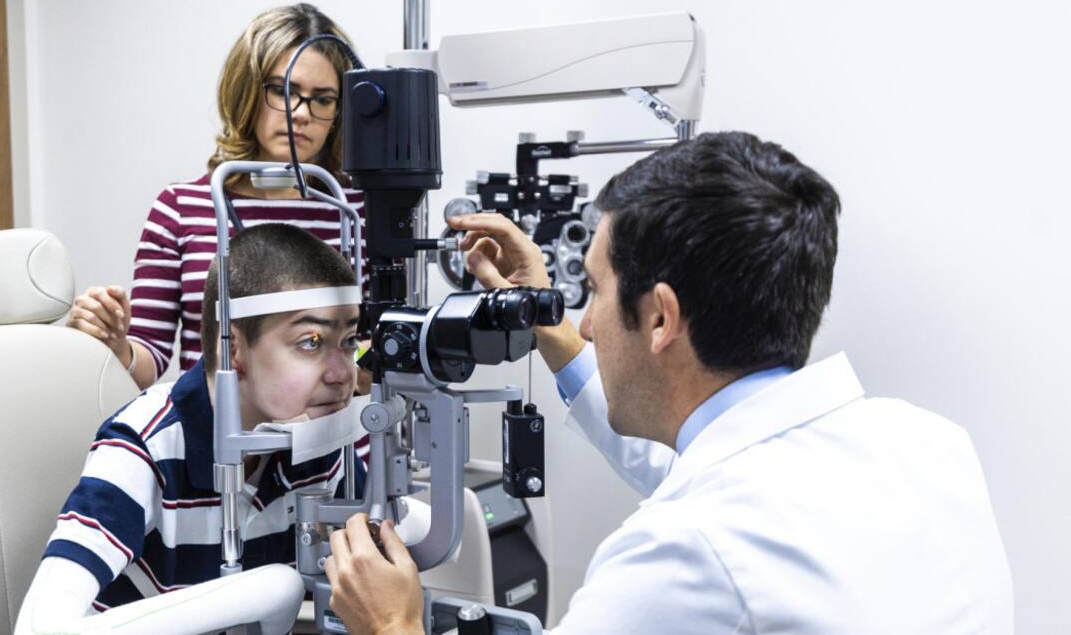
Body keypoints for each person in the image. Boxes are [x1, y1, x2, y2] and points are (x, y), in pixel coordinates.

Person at [322, 132, 1014, 633]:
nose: (586, 324)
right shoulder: (925, 442)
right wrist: (547, 320)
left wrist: (391, 624)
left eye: (592, 291)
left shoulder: (685, 552)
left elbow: (707, 530)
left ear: (660, 318)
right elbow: (696, 462)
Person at [17, 223, 365, 629]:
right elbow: (39, 628)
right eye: (311, 341)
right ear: (232, 348)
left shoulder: (319, 439)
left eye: (349, 342)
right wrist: (272, 588)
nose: (345, 375)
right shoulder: (143, 448)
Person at [67, 3, 366, 391]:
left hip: (333, 446)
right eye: (281, 91)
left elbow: (378, 348)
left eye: (323, 98)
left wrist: (346, 358)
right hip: (219, 444)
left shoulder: (354, 211)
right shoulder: (180, 209)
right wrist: (113, 341)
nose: (300, 113)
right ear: (245, 91)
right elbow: (148, 361)